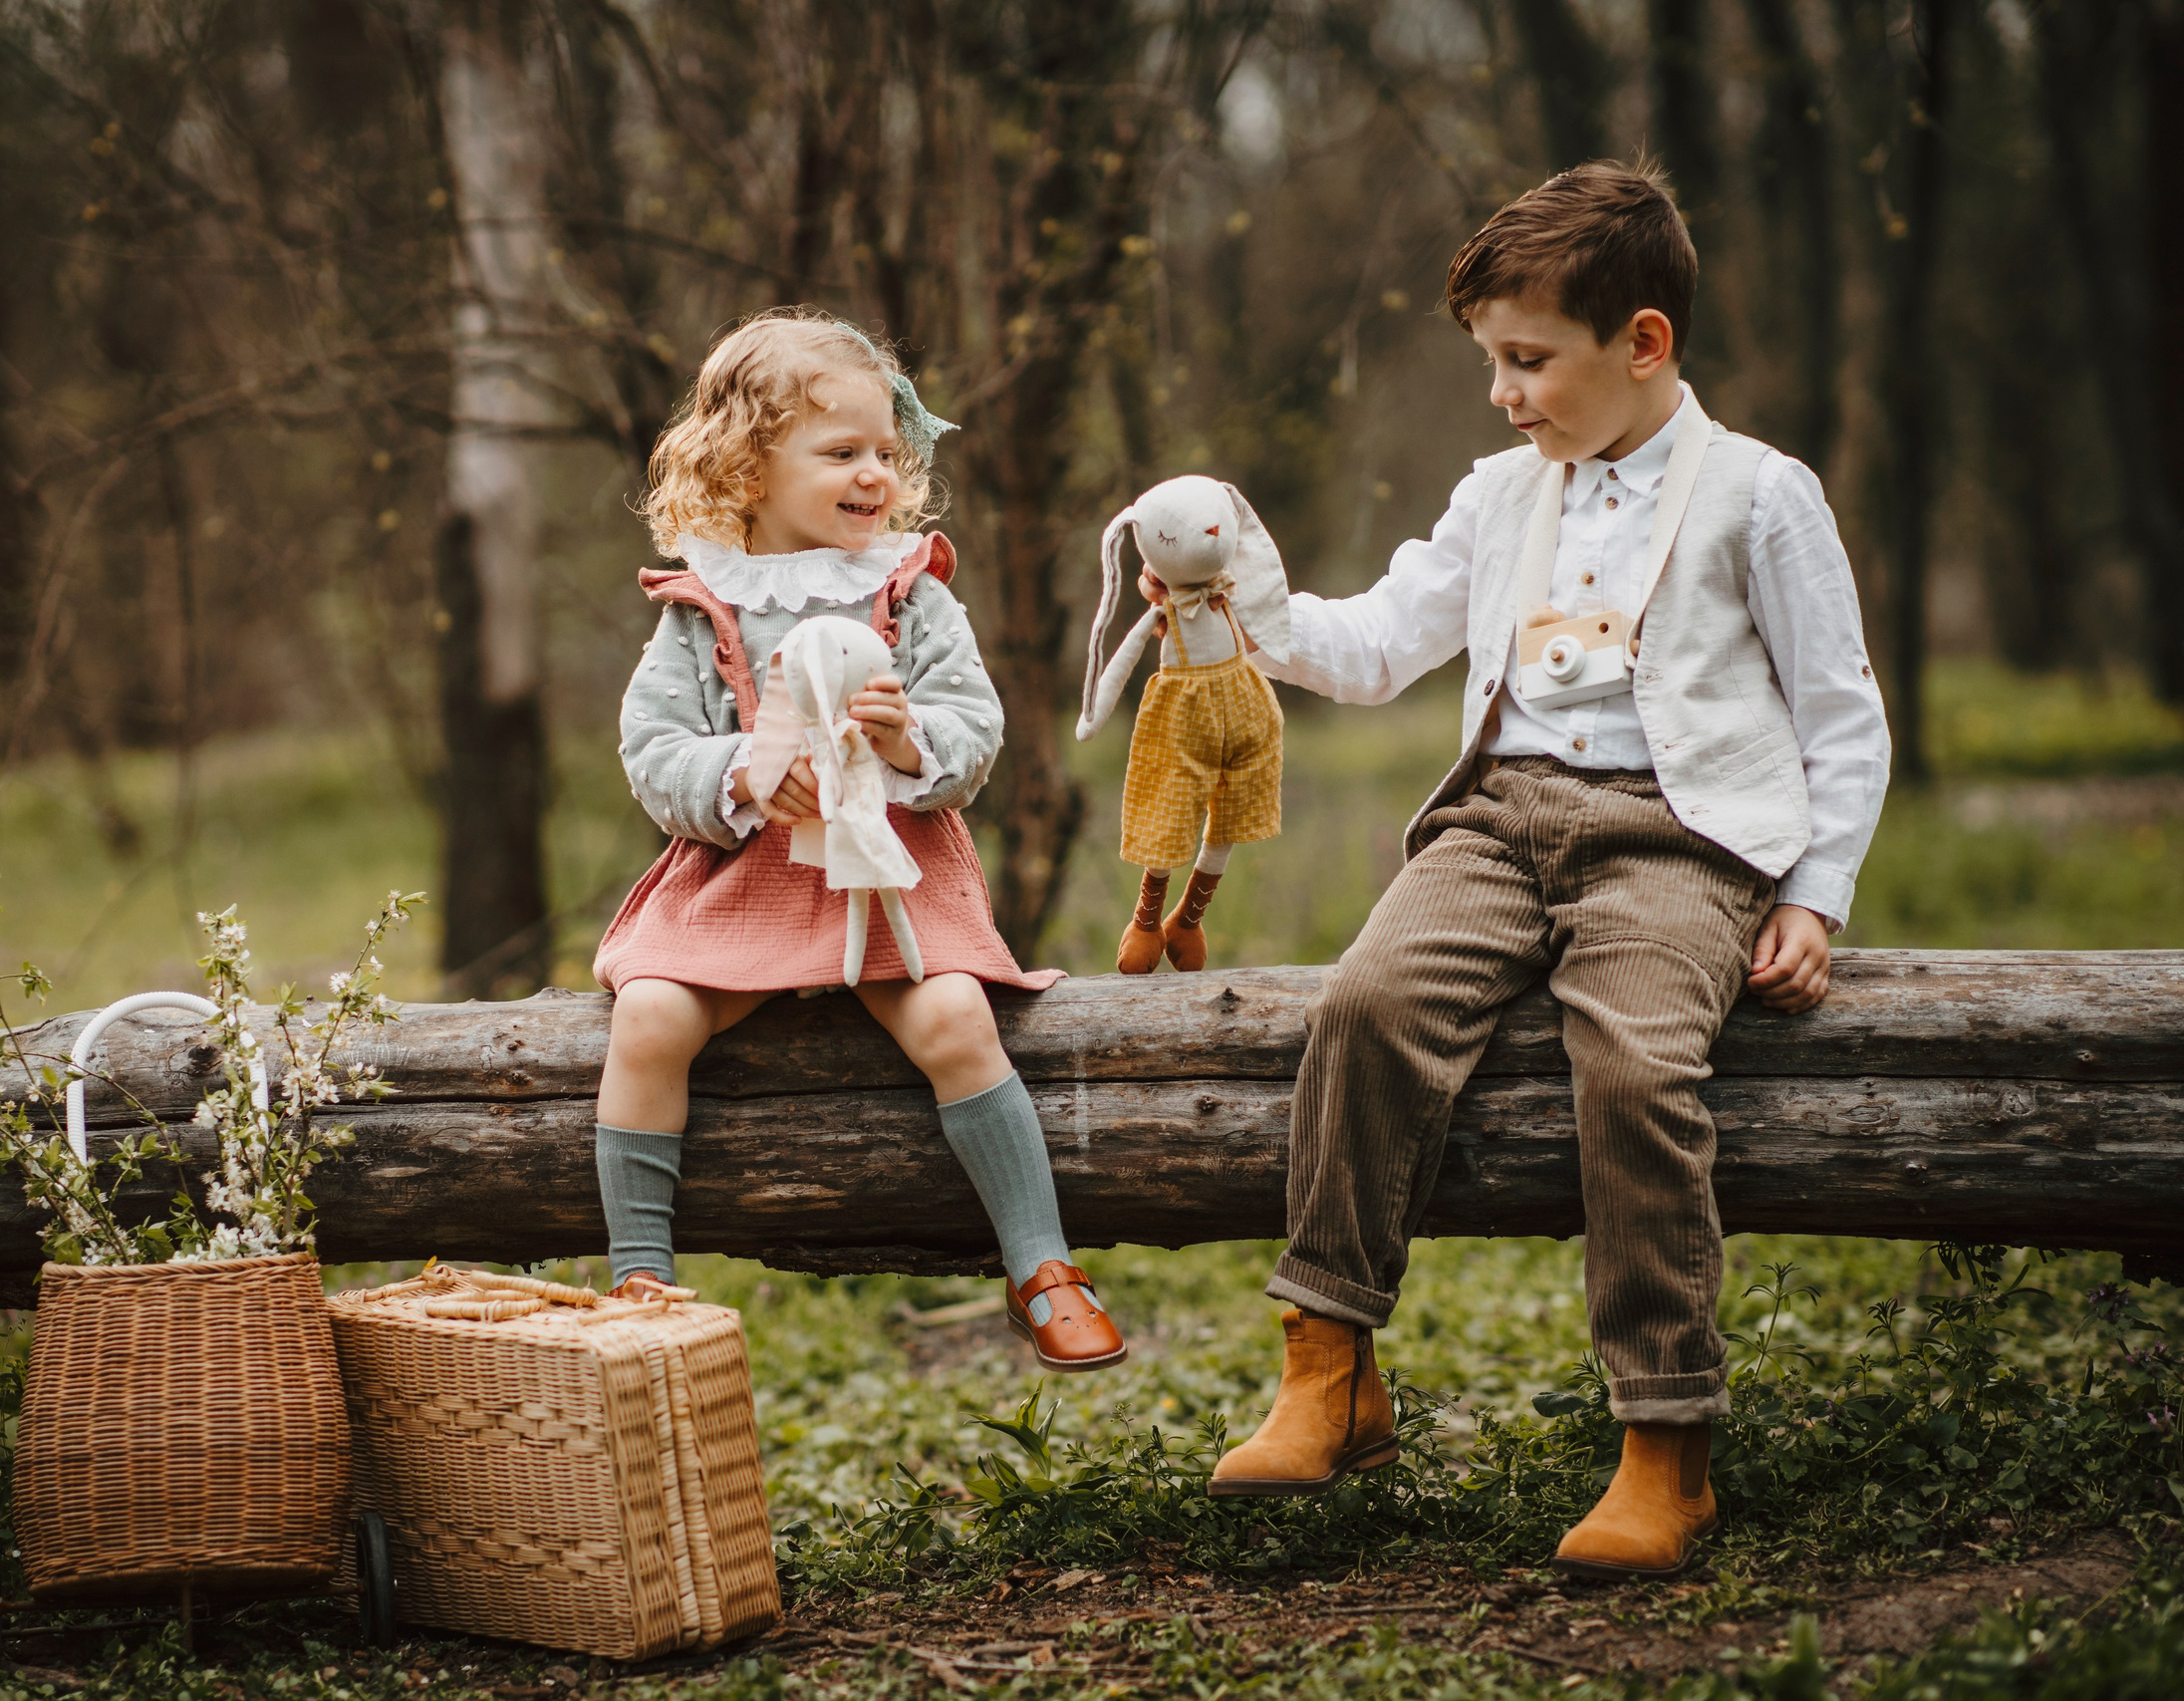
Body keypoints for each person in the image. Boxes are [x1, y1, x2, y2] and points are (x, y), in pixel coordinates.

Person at [1191, 161, 1891, 1578]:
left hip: (1681, 837)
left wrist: (1813, 893)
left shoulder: (1760, 496)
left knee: (1634, 1067)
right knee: (1364, 1005)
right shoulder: (1501, 496)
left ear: (1643, 341)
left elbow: (1839, 711)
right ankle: (1330, 1365)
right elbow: (1377, 646)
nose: (1504, 394)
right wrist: (1238, 604)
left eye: (1529, 360)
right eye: (1491, 364)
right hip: (1498, 822)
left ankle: (1663, 1442)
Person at [591, 308, 1127, 1373]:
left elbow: (972, 728)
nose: (874, 473)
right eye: (840, 452)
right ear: (746, 469)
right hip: (743, 886)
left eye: (886, 450)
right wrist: (745, 772)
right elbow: (653, 752)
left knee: (955, 1018)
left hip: (888, 882)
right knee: (649, 1018)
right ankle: (637, 1273)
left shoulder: (908, 591)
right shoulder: (702, 605)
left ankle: (1040, 1263)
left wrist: (906, 740)